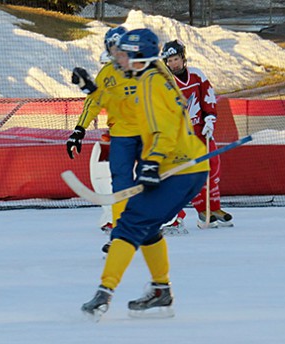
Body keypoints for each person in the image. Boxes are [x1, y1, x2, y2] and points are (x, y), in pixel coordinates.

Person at [80, 28, 209, 321]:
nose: (119, 58)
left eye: (124, 54)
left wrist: (151, 163)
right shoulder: (150, 77)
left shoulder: (151, 82)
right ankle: (161, 291)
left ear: (139, 56)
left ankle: (104, 294)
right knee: (147, 226)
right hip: (184, 167)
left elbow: (164, 128)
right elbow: (134, 113)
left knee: (129, 224)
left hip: (179, 168)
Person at [67, 26, 142, 253]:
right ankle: (120, 234)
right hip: (121, 136)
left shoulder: (146, 68)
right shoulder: (107, 74)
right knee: (119, 184)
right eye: (112, 48)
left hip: (149, 134)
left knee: (147, 184)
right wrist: (79, 130)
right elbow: (93, 102)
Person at [162, 39, 234, 228]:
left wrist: (210, 119)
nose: (173, 64)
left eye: (175, 59)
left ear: (183, 58)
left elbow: (207, 97)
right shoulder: (165, 82)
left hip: (202, 130)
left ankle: (214, 208)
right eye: (169, 61)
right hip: (182, 137)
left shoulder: (196, 75)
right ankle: (203, 211)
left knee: (213, 164)